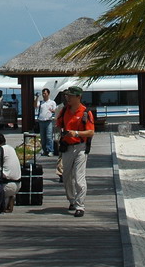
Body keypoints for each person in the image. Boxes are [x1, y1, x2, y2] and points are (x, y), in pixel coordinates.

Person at [57, 85, 94, 217]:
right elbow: (59, 125)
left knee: (79, 178)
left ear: (78, 97)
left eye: (71, 96)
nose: (68, 98)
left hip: (80, 147)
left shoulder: (86, 112)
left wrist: (76, 133)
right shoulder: (64, 110)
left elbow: (91, 132)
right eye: (67, 96)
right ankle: (72, 200)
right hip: (67, 147)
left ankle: (80, 205)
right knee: (66, 176)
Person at [36, 88, 57, 156]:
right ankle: (44, 150)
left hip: (48, 121)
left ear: (48, 94)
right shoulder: (41, 102)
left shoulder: (52, 102)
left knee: (49, 136)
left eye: (45, 93)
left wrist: (52, 111)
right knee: (43, 137)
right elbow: (35, 106)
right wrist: (36, 98)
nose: (43, 95)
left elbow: (55, 111)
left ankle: (50, 150)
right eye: (43, 93)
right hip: (41, 121)